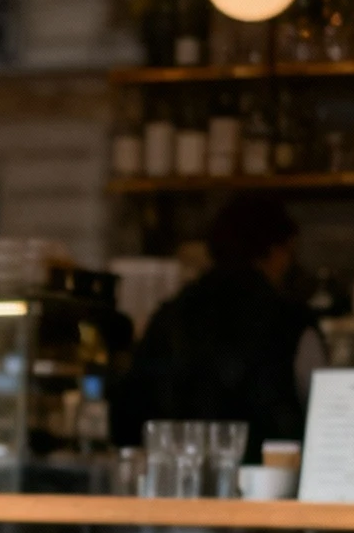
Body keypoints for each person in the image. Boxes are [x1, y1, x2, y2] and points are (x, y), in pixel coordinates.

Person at [118, 193, 322, 459]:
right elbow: (323, 408)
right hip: (264, 485)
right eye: (289, 252)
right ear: (275, 252)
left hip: (172, 483)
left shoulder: (169, 315)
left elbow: (131, 408)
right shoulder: (291, 320)